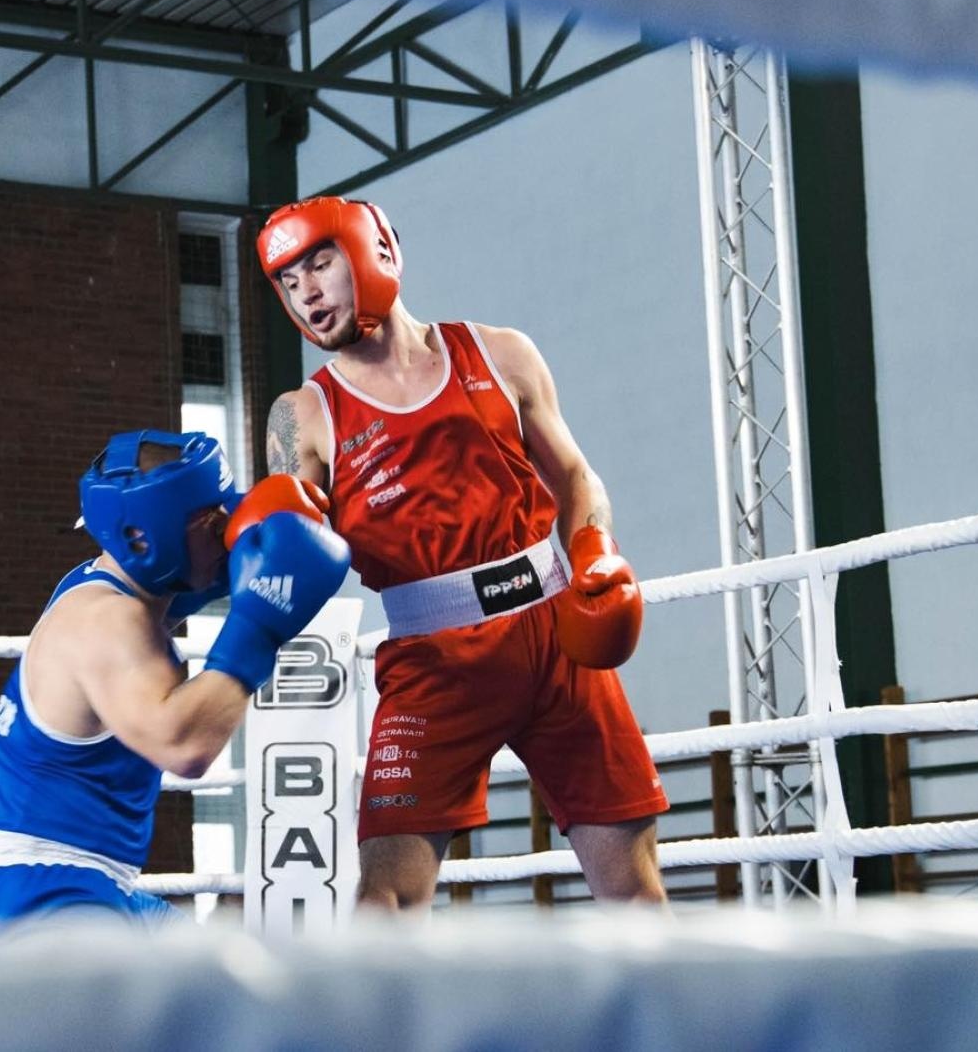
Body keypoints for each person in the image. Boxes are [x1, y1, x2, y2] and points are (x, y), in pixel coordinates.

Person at [255, 196, 669, 912]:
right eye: (289, 282)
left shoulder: (501, 353)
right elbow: (282, 561)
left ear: (377, 250)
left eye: (319, 265)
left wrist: (594, 547)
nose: (307, 294)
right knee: (385, 901)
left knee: (634, 892)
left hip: (556, 636)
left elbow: (575, 475)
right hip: (432, 665)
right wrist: (262, 550)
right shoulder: (301, 418)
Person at [0, 428, 350, 931]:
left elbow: (206, 575)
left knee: (234, 966)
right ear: (144, 538)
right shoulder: (107, 622)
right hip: (46, 899)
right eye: (211, 522)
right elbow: (184, 747)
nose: (227, 529)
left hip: (85, 884)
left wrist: (264, 525)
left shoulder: (122, 587)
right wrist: (263, 622)